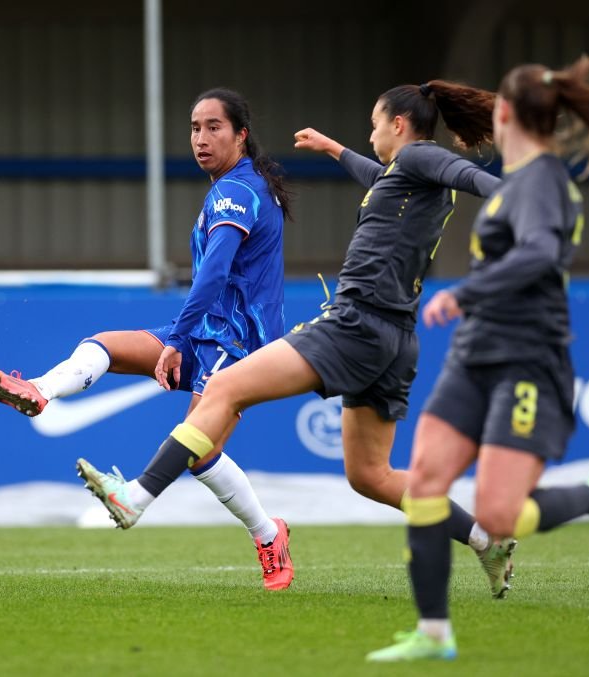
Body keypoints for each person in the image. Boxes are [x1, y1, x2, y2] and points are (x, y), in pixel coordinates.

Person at [81, 80, 524, 598]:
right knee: (371, 476)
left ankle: (136, 496)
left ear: (399, 126)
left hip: (355, 324)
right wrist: (335, 149)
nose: (371, 132)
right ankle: (484, 539)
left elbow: (464, 173)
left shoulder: (423, 160)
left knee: (222, 390)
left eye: (376, 123)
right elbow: (379, 172)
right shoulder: (402, 175)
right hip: (395, 339)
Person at [365, 54, 589, 663]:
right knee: (426, 482)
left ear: (504, 112)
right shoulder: (516, 184)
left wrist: (469, 292)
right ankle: (434, 633)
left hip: (528, 358)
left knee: (499, 515)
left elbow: (542, 254)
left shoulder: (544, 181)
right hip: (474, 357)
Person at [0, 88, 297, 590]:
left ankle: (267, 533)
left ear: (241, 135)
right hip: (208, 330)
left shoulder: (236, 192)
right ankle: (39, 389)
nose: (201, 139)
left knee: (199, 450)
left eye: (214, 127)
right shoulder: (242, 186)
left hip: (235, 342)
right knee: (105, 344)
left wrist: (177, 337)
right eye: (194, 128)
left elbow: (213, 276)